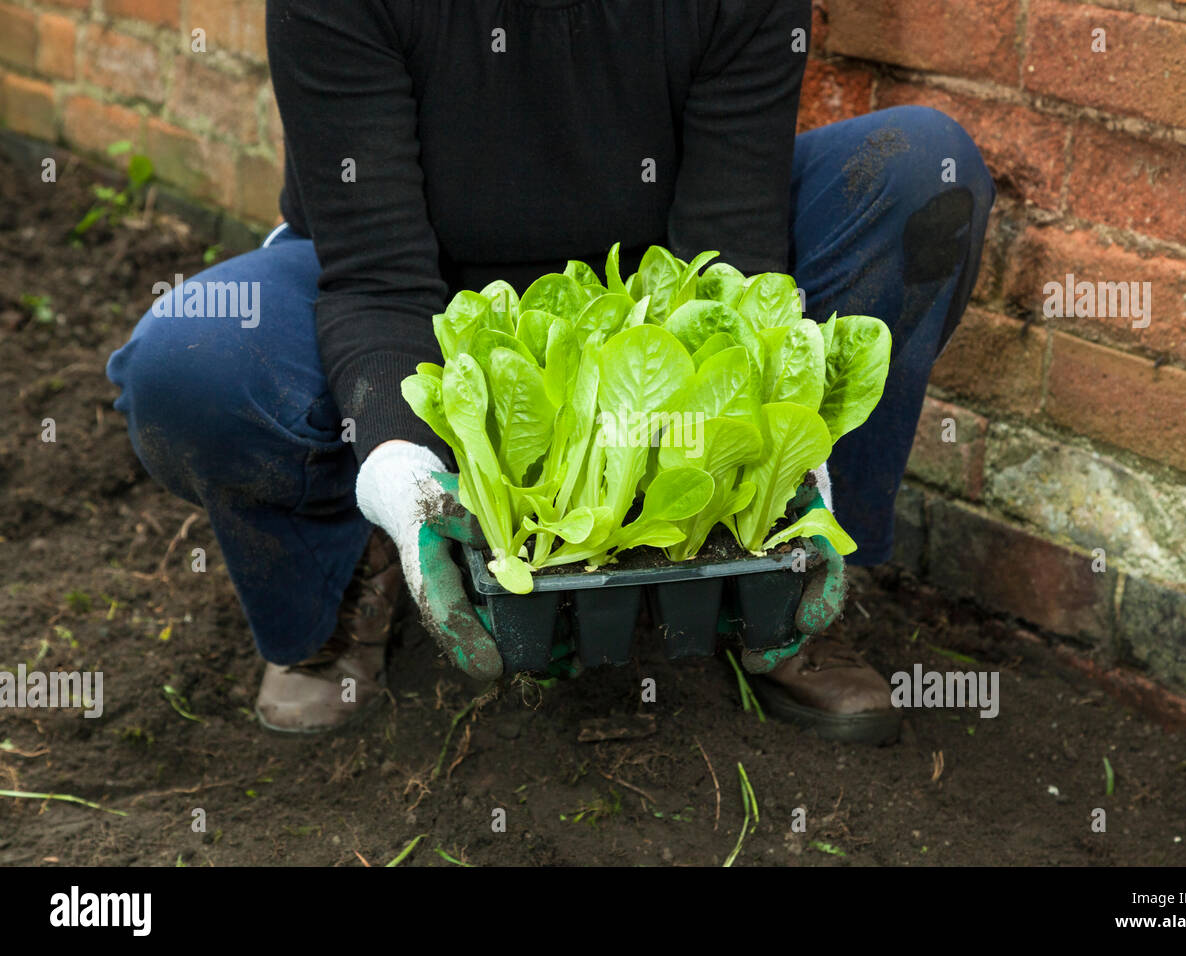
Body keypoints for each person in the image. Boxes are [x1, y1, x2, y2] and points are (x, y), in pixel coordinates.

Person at [106, 0, 993, 742]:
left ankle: (782, 584)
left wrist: (775, 459)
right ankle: (342, 578)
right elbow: (376, 274)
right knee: (193, 362)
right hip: (413, 295)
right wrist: (396, 465)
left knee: (918, 171)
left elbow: (729, 257)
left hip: (639, 297)